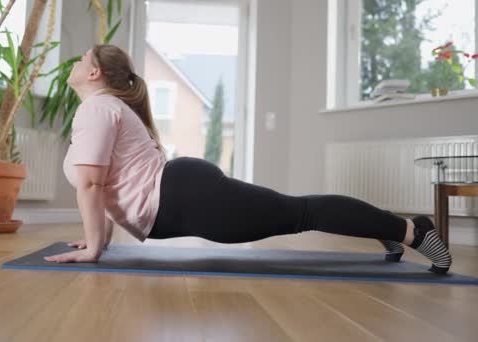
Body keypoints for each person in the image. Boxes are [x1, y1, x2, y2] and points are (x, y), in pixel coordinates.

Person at [44, 44, 452, 274]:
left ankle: (412, 229)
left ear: (96, 73)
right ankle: (380, 224)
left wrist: (95, 248)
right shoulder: (104, 108)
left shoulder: (97, 109)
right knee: (297, 211)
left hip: (190, 197)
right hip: (184, 192)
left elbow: (94, 184)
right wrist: (100, 238)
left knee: (300, 213)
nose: (76, 63)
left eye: (82, 59)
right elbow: (112, 184)